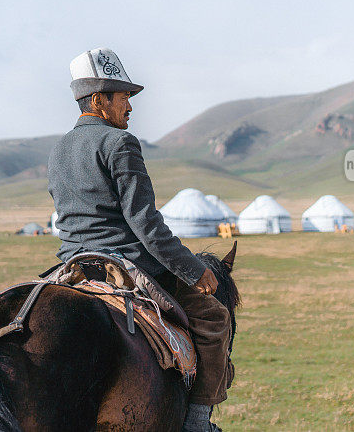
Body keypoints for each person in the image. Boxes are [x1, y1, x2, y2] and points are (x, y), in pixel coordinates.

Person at [47, 48, 233, 432]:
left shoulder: (59, 149)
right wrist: (193, 270)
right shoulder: (120, 144)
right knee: (214, 316)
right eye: (123, 96)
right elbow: (146, 223)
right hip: (124, 262)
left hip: (72, 265)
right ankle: (197, 423)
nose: (129, 106)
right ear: (99, 100)